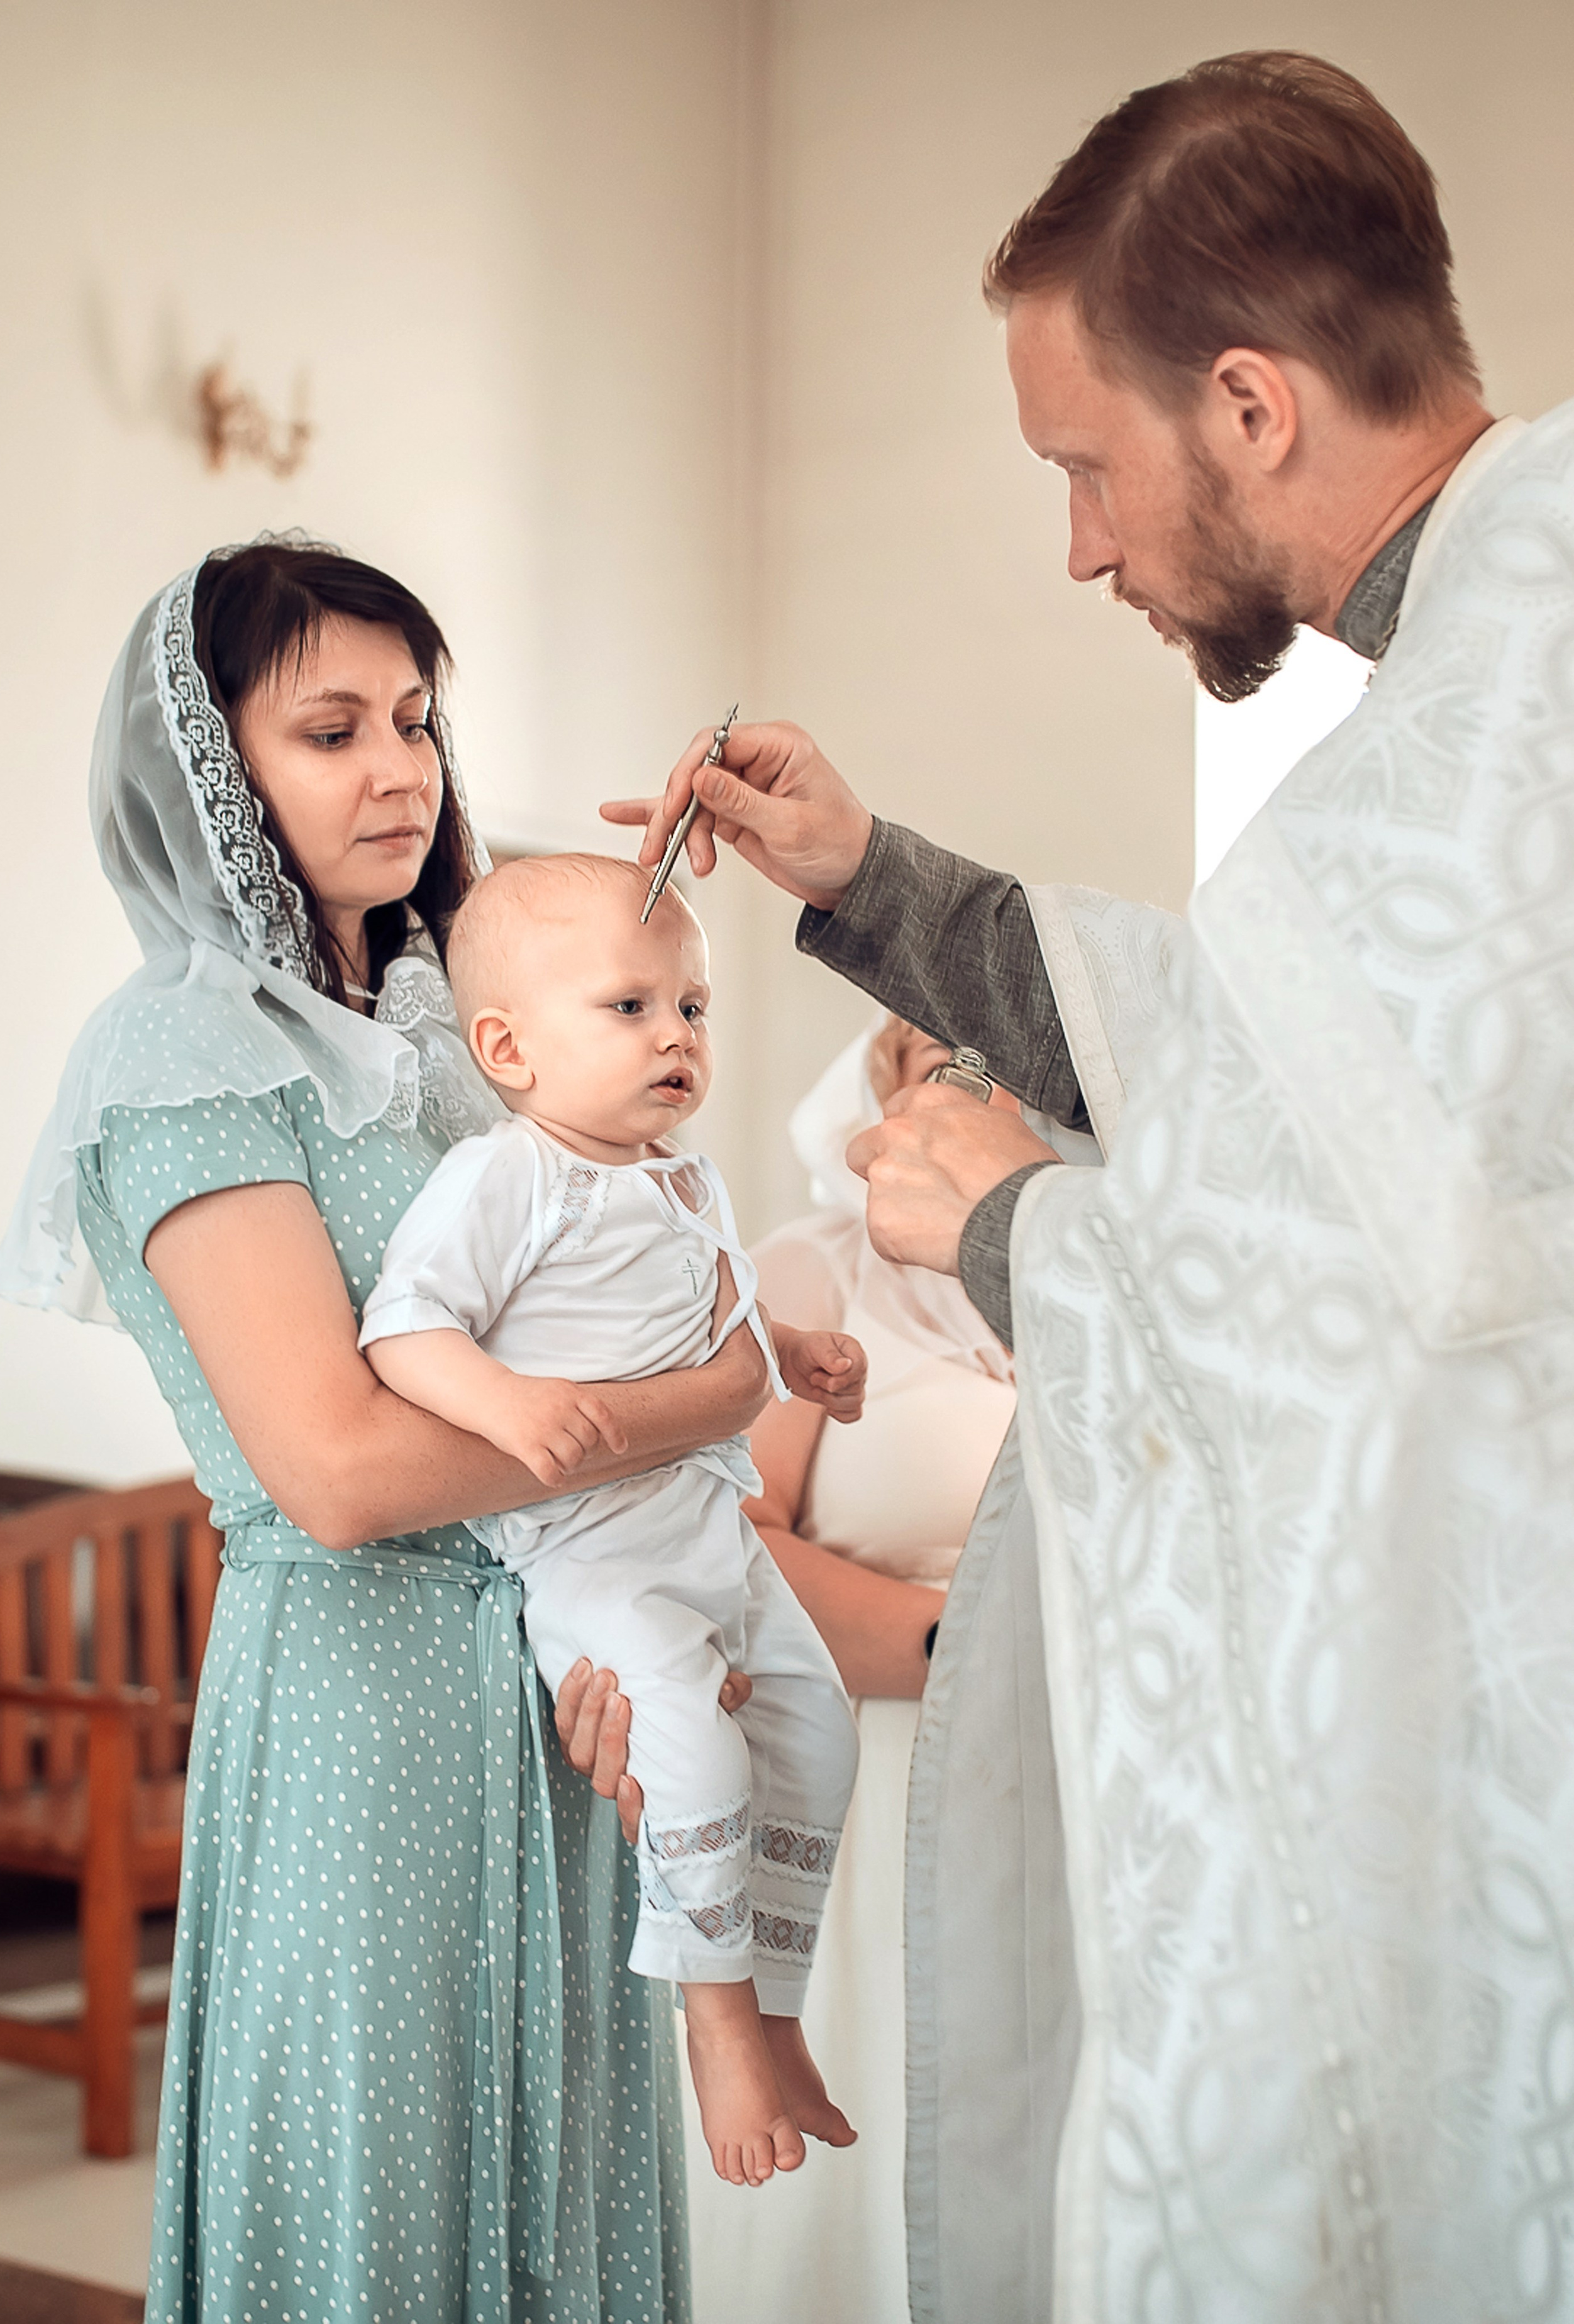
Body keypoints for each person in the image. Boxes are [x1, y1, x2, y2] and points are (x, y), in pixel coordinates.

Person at [601, 51, 1574, 2324]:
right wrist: (869, 877)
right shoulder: (1494, 698)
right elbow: (1296, 1102)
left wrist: (1017, 1224)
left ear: (1246, 403)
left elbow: (1408, 1333)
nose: (1082, 547)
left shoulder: (1456, 766)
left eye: (1085, 464)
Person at [0, 536, 774, 2323]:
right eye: (330, 729)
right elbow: (332, 1471)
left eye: (415, 719)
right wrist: (705, 1404)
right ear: (215, 776)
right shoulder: (180, 1053)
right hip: (357, 1702)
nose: (400, 769)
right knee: (378, 2195)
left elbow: (611, 1299)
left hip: (552, 1681)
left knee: (560, 2165)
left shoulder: (450, 1039)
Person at [358, 852, 863, 2189]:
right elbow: (404, 1325)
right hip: (593, 1555)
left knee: (815, 1728)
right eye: (629, 1008)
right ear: (508, 1049)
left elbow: (717, 1305)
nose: (676, 1037)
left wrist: (793, 1347)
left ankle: (771, 2006)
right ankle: (711, 2024)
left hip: (708, 1530)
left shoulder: (683, 1179)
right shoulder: (502, 1176)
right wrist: (506, 1406)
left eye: (691, 1008)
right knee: (695, 1756)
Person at [681, 1012, 1041, 2324]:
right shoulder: (805, 1273)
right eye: (928, 1052)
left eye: (996, 1054)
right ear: (875, 1091)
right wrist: (953, 1645)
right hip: (868, 1763)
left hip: (1064, 1767)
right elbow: (726, 1532)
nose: (966, 1075)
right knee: (882, 2084)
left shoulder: (1101, 1288)